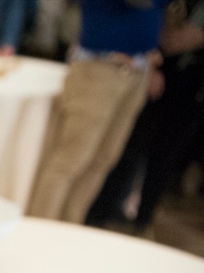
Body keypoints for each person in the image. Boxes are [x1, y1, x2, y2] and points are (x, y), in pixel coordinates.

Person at [27, 0, 170, 224]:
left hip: (138, 70)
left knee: (103, 159)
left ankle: (69, 232)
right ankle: (40, 232)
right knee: (70, 161)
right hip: (99, 68)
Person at [86, 0, 204, 234]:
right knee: (123, 150)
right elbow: (170, 39)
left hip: (188, 84)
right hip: (144, 71)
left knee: (164, 156)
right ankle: (101, 217)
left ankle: (141, 222)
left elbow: (178, 39)